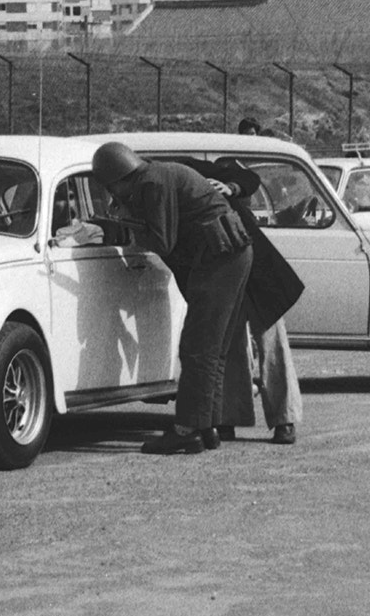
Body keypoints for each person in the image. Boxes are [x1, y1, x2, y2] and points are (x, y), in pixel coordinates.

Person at [92, 141, 254, 455]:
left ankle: (187, 430)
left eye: (112, 188)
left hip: (219, 256)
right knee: (213, 347)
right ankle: (207, 426)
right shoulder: (157, 175)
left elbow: (162, 241)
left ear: (116, 179)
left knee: (197, 346)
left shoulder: (152, 182)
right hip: (229, 253)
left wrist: (121, 225)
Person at [174, 156, 305, 446]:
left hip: (256, 267)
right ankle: (229, 417)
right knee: (230, 346)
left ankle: (284, 419)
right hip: (221, 271)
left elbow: (246, 178)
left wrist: (230, 186)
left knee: (271, 344)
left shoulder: (183, 170)